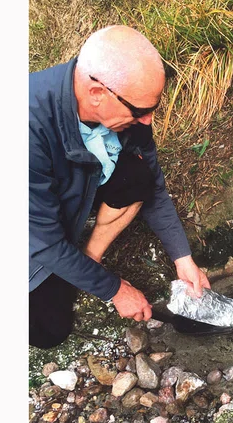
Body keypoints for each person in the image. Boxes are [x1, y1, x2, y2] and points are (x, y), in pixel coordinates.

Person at [29, 25, 210, 349]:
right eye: (140, 111)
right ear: (97, 93)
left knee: (137, 176)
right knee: (49, 330)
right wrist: (115, 289)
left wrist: (183, 258)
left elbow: (153, 185)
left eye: (153, 109)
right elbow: (43, 242)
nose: (148, 121)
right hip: (30, 225)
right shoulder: (29, 127)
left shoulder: (131, 116)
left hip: (73, 185)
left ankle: (88, 258)